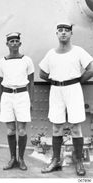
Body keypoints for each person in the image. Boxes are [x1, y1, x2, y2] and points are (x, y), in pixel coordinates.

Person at [39, 22, 93, 176]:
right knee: (57, 127)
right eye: (60, 31)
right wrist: (56, 81)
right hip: (56, 91)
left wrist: (76, 81)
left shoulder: (78, 51)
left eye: (66, 31)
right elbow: (42, 73)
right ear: (56, 34)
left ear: (71, 34)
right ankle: (55, 160)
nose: (63, 33)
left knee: (76, 127)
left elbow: (91, 68)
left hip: (74, 90)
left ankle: (79, 161)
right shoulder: (51, 53)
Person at [0, 32, 34, 171]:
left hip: (22, 95)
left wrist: (31, 100)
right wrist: (2, 101)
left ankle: (21, 159)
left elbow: (31, 82)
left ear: (20, 43)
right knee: (11, 130)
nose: (14, 43)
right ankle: (12, 158)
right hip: (7, 96)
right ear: (7, 44)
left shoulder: (27, 60)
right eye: (11, 41)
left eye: (16, 41)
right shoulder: (1, 62)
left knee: (22, 130)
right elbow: (0, 84)